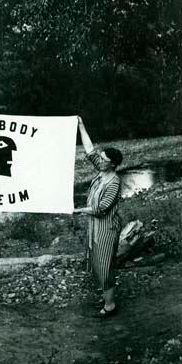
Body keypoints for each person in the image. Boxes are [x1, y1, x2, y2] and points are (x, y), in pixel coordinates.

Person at [74, 116, 123, 318]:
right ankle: (106, 297)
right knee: (97, 263)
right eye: (101, 158)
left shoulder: (114, 182)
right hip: (95, 229)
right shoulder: (102, 172)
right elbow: (89, 150)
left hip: (106, 229)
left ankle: (110, 306)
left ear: (112, 165)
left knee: (104, 265)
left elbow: (101, 209)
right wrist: (81, 126)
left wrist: (78, 210)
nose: (100, 160)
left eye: (104, 159)